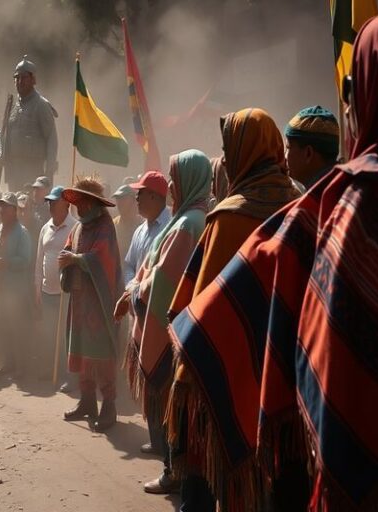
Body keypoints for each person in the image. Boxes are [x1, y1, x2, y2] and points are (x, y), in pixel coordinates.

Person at [165, 108, 300, 512]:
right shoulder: (302, 206)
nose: (223, 159)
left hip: (226, 369)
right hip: (285, 374)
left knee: (207, 479)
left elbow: (197, 306)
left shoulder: (228, 217)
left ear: (244, 152)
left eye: (229, 148)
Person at [116, 150, 212, 496]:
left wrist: (136, 291)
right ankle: (176, 468)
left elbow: (165, 278)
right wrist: (137, 286)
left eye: (176, 177)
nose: (172, 185)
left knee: (176, 408)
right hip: (182, 327)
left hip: (174, 328)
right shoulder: (187, 219)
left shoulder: (188, 224)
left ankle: (175, 471)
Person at [58, 178, 122, 432]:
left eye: (84, 202)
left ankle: (109, 405)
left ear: (94, 203)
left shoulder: (105, 225)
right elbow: (68, 249)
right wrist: (67, 259)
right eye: (78, 202)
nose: (79, 207)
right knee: (83, 352)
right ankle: (86, 401)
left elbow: (101, 256)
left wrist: (75, 259)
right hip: (79, 300)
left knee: (101, 355)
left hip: (100, 302)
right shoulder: (77, 228)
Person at [35, 186, 78, 388]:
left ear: (66, 204)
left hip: (66, 292)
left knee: (66, 336)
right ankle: (49, 369)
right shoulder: (45, 228)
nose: (51, 206)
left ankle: (68, 376)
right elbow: (39, 261)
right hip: (46, 291)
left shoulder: (75, 228)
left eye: (54, 202)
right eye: (50, 202)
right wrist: (37, 289)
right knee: (48, 333)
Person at [0, 192, 33, 376]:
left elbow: (26, 260)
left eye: (6, 207)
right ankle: (8, 363)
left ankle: (21, 366)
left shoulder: (23, 234)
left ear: (14, 211)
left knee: (17, 328)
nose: (2, 210)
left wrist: (6, 262)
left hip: (15, 290)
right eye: (1, 207)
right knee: (3, 327)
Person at [0, 55, 59, 191]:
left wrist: (48, 172)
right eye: (17, 78)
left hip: (33, 171)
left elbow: (51, 139)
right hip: (13, 170)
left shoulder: (41, 105)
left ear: (33, 79)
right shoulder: (11, 105)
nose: (20, 81)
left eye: (24, 78)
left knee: (29, 207)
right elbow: (2, 135)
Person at [122, 172, 171, 295]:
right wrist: (131, 287)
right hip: (137, 305)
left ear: (153, 196)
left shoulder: (172, 227)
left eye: (140, 192)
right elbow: (129, 265)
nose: (136, 198)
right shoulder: (139, 231)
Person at [284, 105, 340, 189]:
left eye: (288, 148)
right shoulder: (342, 184)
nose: (284, 157)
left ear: (308, 153)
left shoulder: (320, 197)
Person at [111, 179, 139, 270]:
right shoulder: (113, 224)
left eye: (123, 199)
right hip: (118, 275)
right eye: (118, 199)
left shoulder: (142, 225)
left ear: (133, 200)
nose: (119, 203)